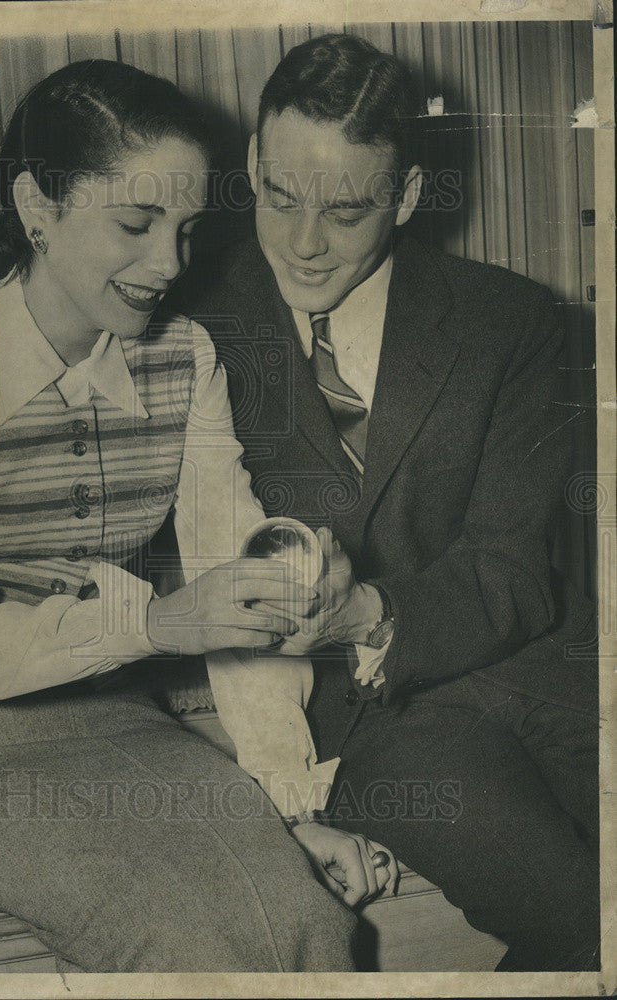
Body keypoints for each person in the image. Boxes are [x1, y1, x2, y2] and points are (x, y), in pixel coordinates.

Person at [0, 59, 395, 974]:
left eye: (184, 228)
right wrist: (153, 621)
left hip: (115, 720)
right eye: (135, 224)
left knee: (300, 920)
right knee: (185, 937)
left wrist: (285, 802)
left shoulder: (186, 357)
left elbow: (232, 565)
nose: (168, 264)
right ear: (37, 206)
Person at [170, 33, 600, 972]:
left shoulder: (513, 322)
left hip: (549, 665)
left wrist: (366, 608)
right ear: (251, 165)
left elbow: (515, 570)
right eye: (278, 198)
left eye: (348, 208)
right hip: (374, 729)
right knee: (584, 927)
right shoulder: (186, 320)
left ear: (406, 196)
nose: (304, 241)